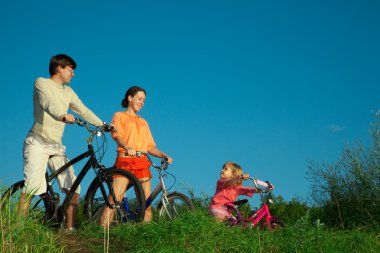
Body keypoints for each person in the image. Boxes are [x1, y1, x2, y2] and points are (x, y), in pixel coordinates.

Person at [19, 54, 106, 231]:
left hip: (56, 146)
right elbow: (46, 103)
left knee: (73, 186)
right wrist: (61, 115)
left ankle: (70, 231)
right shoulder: (42, 82)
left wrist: (103, 125)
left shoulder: (68, 92)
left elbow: (83, 110)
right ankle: (17, 230)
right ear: (59, 67)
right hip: (37, 142)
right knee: (32, 186)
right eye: (70, 69)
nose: (73, 73)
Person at [99, 86, 173, 226]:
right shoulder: (119, 116)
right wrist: (127, 146)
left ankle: (145, 238)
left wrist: (163, 155)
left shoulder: (144, 122)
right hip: (125, 160)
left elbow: (149, 146)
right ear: (130, 98)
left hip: (141, 162)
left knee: (146, 205)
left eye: (144, 100)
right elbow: (117, 135)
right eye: (139, 99)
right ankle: (100, 232)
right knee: (114, 201)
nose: (142, 102)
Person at [208, 162, 274, 221]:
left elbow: (249, 190)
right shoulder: (221, 182)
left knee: (235, 224)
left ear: (234, 174)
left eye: (225, 169)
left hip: (226, 211)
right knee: (221, 219)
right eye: (222, 168)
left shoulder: (237, 187)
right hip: (216, 207)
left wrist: (266, 188)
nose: (222, 170)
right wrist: (240, 178)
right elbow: (229, 182)